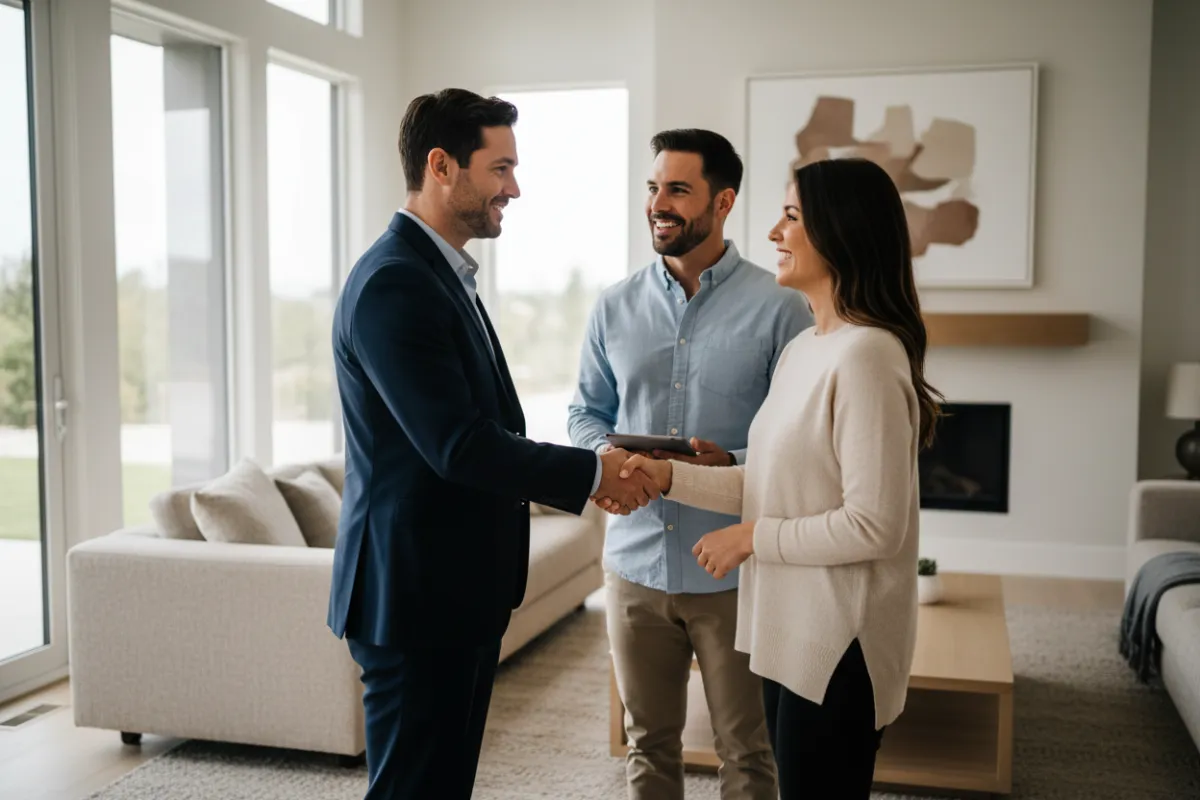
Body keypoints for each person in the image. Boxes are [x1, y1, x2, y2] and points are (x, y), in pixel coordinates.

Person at [327, 88, 659, 800]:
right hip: (415, 597)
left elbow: (482, 432)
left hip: (452, 590)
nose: (515, 187)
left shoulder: (440, 275)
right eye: (500, 167)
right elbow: (458, 445)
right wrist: (592, 471)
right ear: (442, 166)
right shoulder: (395, 284)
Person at [610, 157, 944, 799]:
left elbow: (874, 525)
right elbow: (764, 484)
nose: (773, 233)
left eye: (791, 216)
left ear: (839, 231)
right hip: (788, 632)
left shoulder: (869, 354)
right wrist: (666, 475)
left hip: (841, 647)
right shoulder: (807, 347)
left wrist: (752, 538)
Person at [569, 129, 811, 800]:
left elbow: (797, 440)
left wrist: (728, 461)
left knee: (748, 751)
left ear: (723, 200)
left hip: (734, 573)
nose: (658, 203)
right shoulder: (613, 306)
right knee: (648, 747)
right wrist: (605, 459)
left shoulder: (782, 309)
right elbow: (583, 411)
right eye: (652, 187)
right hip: (634, 567)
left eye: (678, 189)